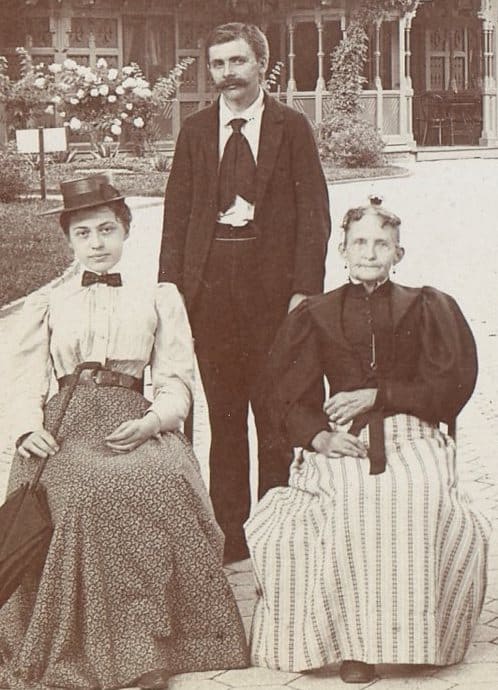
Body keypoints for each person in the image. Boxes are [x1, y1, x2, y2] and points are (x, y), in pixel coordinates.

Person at [0, 174, 248, 690]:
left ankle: (149, 645)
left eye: (107, 230)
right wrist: (26, 429)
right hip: (65, 424)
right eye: (83, 233)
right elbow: (24, 380)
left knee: (158, 479)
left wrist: (154, 421)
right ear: (69, 240)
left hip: (135, 417)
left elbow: (177, 384)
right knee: (86, 492)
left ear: (126, 230)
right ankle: (104, 648)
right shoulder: (49, 302)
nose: (96, 243)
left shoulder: (158, 297)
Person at [244, 197, 490, 683]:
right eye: (360, 242)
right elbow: (284, 392)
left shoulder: (426, 306)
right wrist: (318, 438)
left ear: (399, 252)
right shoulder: (316, 312)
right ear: (343, 250)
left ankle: (417, 638)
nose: (370, 252)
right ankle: (354, 646)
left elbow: (450, 385)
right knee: (352, 500)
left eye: (382, 243)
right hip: (344, 437)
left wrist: (380, 394)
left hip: (411, 429)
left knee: (415, 492)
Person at [158, 22, 331, 565]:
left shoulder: (291, 127)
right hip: (210, 288)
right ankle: (229, 535)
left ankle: (274, 530)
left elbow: (314, 215)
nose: (227, 74)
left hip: (273, 290)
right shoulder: (195, 131)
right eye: (217, 64)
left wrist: (304, 291)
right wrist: (169, 289)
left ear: (261, 64)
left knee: (274, 412)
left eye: (237, 61)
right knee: (224, 416)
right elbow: (176, 214)